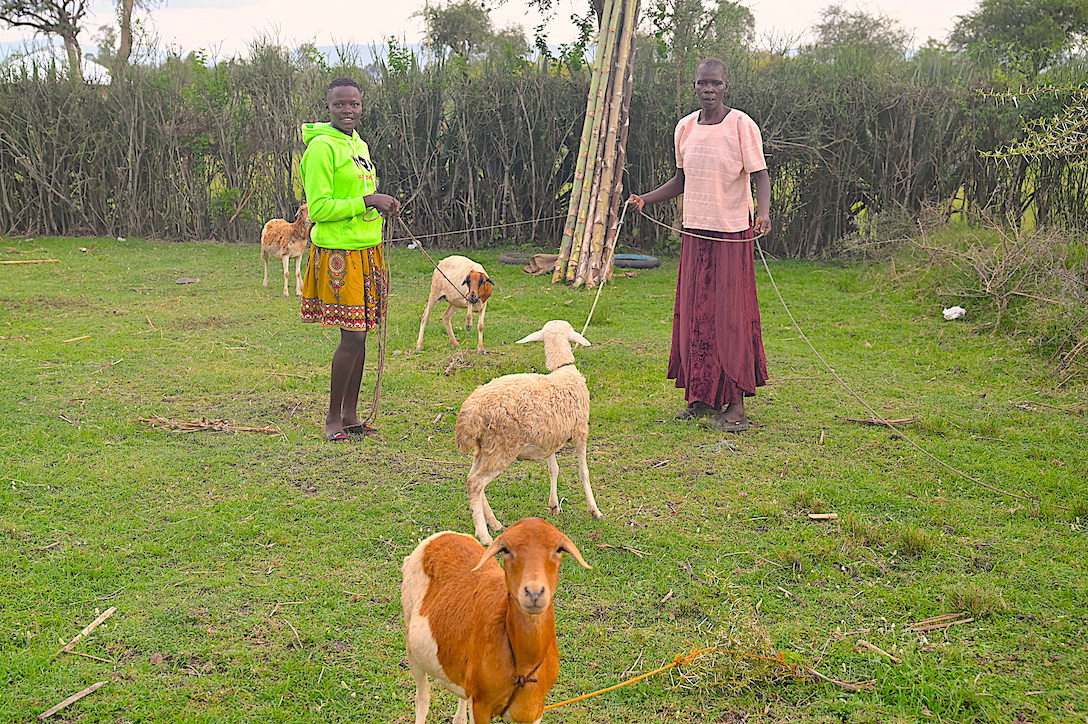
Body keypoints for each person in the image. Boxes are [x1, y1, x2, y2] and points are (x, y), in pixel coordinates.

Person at [627, 58, 771, 432]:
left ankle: (736, 404)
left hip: (731, 235)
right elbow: (681, 180)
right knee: (696, 316)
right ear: (694, 87)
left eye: (715, 83)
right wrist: (645, 198)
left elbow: (760, 175)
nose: (708, 89)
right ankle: (701, 397)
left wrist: (764, 213)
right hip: (695, 234)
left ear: (725, 86)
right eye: (702, 84)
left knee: (729, 317)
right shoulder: (685, 128)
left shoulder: (742, 125)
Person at [300, 77, 401, 442]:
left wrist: (381, 205)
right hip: (338, 253)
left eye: (354, 104)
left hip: (367, 249)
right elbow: (321, 208)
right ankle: (331, 420)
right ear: (328, 107)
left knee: (361, 336)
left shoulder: (359, 145)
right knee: (353, 336)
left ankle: (351, 416)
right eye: (341, 104)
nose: (348, 111)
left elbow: (360, 194)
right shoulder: (320, 150)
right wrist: (369, 201)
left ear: (362, 106)